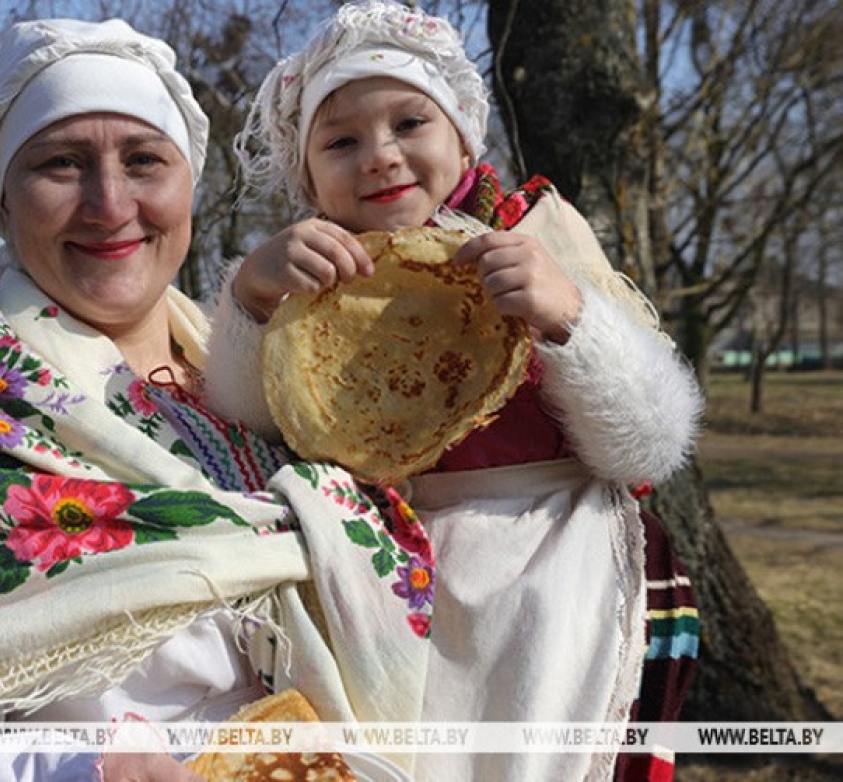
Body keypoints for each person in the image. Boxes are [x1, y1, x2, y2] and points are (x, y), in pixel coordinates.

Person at [0, 16, 436, 782]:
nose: (110, 203)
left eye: (145, 161)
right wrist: (77, 772)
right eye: (62, 164)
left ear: (189, 181)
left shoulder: (278, 371)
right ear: (4, 198)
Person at [206, 2, 703, 780]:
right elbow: (250, 426)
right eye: (341, 141)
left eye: (409, 123)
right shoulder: (306, 276)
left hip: (553, 564)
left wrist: (573, 319)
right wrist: (248, 304)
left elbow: (655, 441)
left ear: (463, 135)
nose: (379, 157)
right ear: (306, 174)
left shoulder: (537, 239)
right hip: (392, 581)